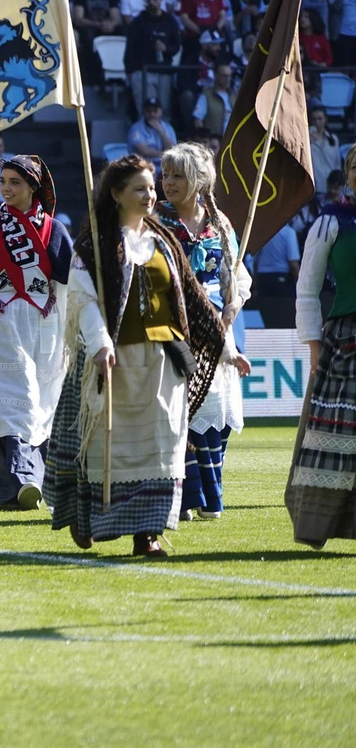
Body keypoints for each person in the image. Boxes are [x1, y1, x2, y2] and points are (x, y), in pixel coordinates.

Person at [44, 155, 229, 558]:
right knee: (104, 448)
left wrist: (225, 348)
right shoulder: (94, 245)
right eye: (140, 189)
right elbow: (84, 300)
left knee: (162, 448)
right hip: (113, 360)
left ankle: (147, 534)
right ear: (116, 194)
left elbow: (192, 300)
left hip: (164, 364)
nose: (150, 194)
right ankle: (87, 516)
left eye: (151, 187)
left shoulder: (163, 241)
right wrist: (99, 343)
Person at [0, 156, 73, 509]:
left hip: (46, 327)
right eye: (2, 182)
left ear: (33, 187)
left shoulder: (55, 230)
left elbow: (71, 283)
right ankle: (23, 477)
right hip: (1, 323)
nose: (6, 188)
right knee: (13, 398)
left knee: (42, 403)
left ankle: (17, 488)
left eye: (15, 183)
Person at [158, 143, 251, 522]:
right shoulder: (155, 221)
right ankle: (185, 497)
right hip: (171, 326)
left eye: (177, 175)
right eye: (165, 175)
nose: (168, 183)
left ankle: (211, 496)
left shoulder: (220, 223)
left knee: (215, 412)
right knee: (181, 410)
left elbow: (236, 276)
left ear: (198, 180)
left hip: (216, 329)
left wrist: (234, 303)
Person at [290, 146, 356, 548]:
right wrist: (313, 346)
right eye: (355, 166)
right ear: (346, 173)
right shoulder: (331, 221)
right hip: (346, 340)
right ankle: (322, 523)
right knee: (342, 439)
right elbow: (307, 289)